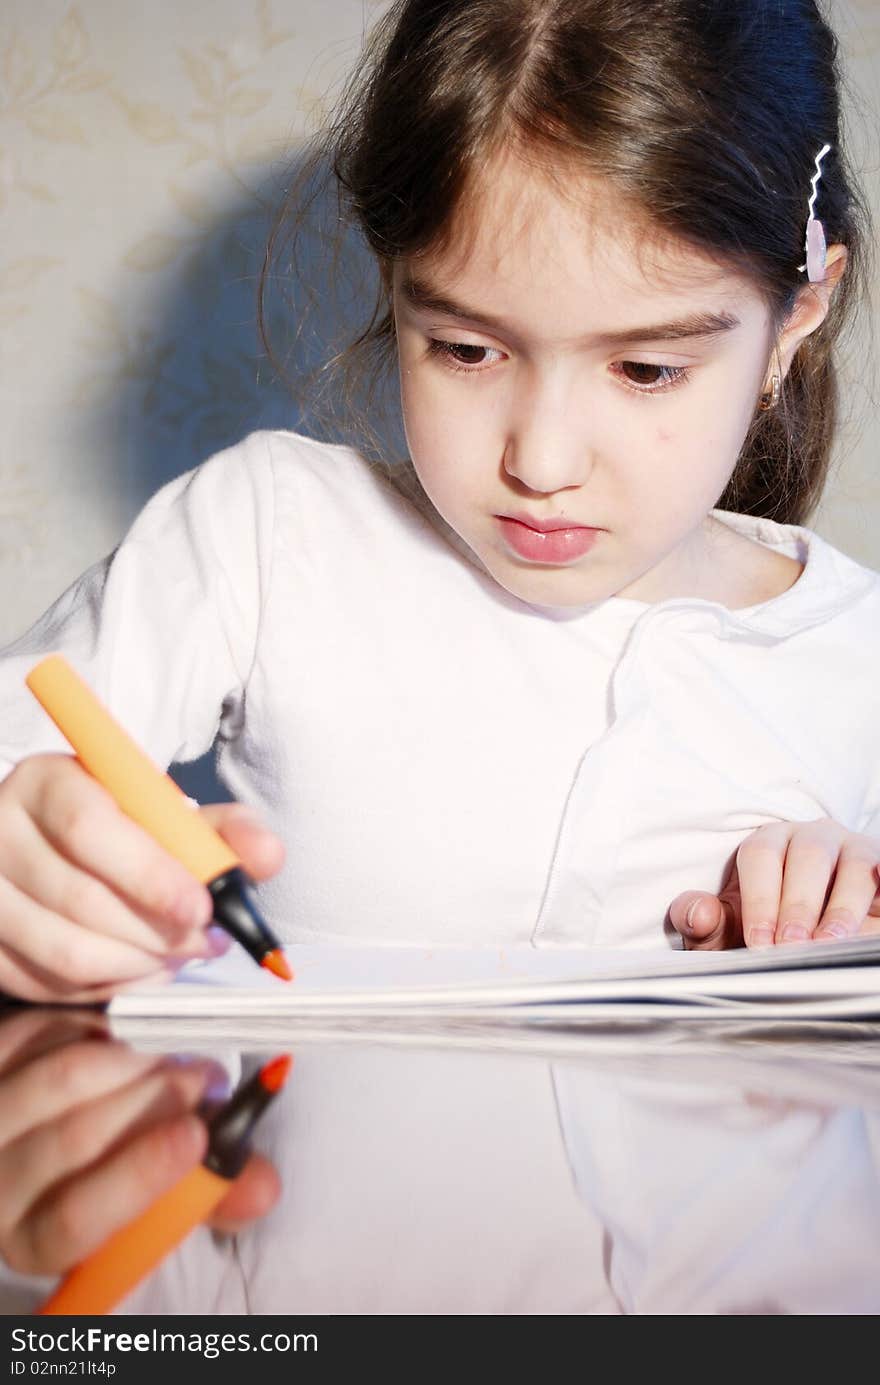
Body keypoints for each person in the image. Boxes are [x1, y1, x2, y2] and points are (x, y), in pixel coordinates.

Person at [0, 0, 878, 1004]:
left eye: (644, 368)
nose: (541, 460)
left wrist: (840, 931)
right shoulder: (265, 538)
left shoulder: (858, 659)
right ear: (395, 282)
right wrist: (25, 846)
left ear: (791, 320)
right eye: (467, 349)